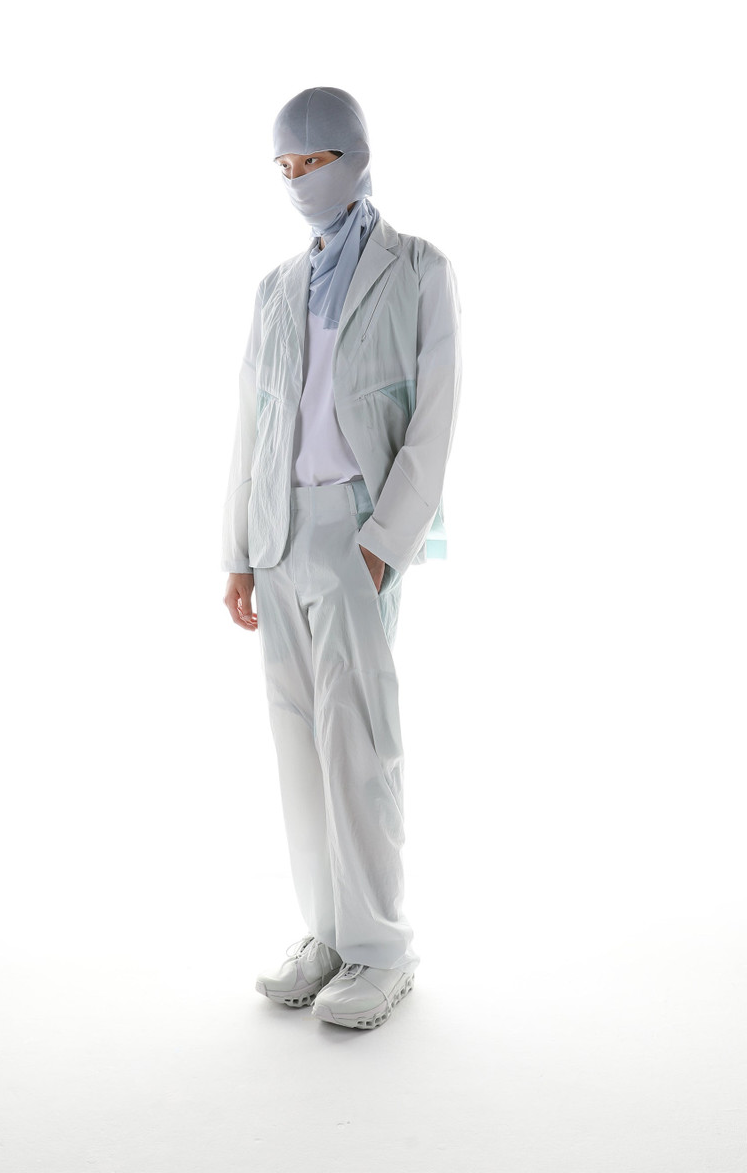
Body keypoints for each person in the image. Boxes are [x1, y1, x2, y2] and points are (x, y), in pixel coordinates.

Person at [221, 87, 462, 1029]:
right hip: (277, 532)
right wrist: (238, 551)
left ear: (355, 159)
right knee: (296, 742)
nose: (297, 182)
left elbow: (434, 420)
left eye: (311, 162)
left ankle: (381, 948)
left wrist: (382, 545)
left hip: (357, 529)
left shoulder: (419, 268)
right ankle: (326, 933)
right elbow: (252, 422)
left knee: (357, 743)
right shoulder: (277, 287)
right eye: (284, 168)